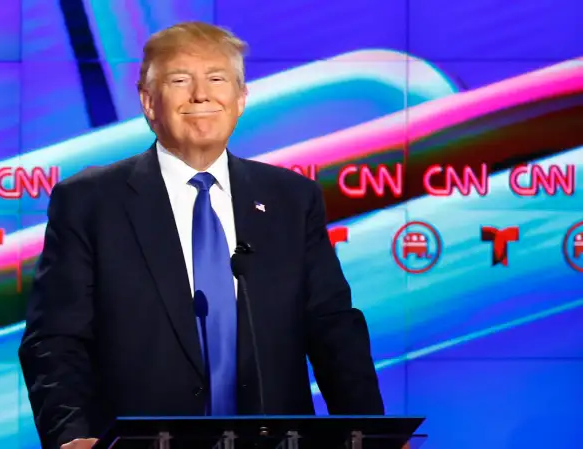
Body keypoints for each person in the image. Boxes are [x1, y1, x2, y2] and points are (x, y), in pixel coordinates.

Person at [19, 21, 384, 449]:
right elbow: (55, 340)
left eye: (217, 79)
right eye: (180, 81)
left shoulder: (290, 199)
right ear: (148, 102)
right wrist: (71, 437)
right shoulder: (90, 202)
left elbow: (333, 330)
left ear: (241, 98)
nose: (201, 95)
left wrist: (371, 433)